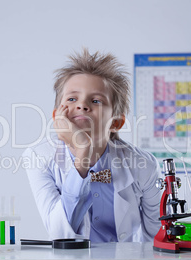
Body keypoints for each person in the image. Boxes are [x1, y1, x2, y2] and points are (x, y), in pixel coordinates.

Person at [22, 48, 161, 243]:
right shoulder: (38, 156)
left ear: (115, 122)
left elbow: (156, 235)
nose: (82, 105)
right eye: (72, 99)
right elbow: (59, 233)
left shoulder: (144, 165)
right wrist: (82, 155)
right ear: (57, 116)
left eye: (96, 100)